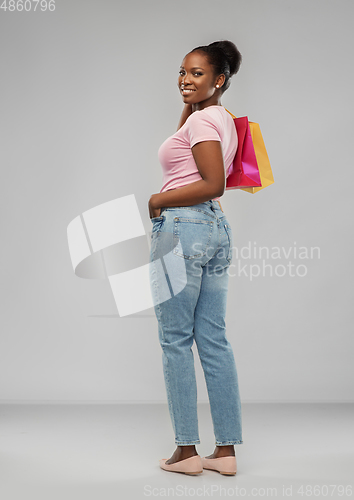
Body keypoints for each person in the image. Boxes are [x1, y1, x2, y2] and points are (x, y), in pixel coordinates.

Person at [148, 40, 243, 476]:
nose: (185, 80)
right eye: (182, 72)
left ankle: (186, 452)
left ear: (219, 79)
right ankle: (225, 453)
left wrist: (157, 198)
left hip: (184, 229)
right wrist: (195, 105)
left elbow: (212, 183)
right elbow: (193, 162)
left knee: (175, 340)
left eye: (197, 74)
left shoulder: (203, 121)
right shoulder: (219, 117)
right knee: (214, 340)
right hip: (215, 231)